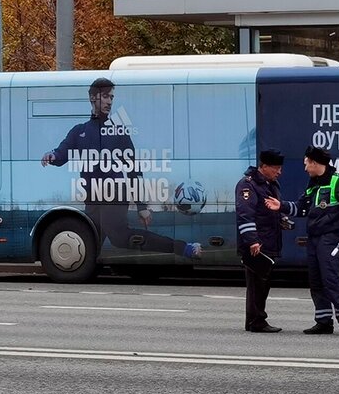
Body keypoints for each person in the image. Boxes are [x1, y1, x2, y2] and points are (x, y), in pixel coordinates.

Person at [41, 77, 202, 261]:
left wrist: (141, 206)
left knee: (119, 237)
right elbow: (62, 153)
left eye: (112, 97)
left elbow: (133, 169)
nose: (110, 101)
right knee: (89, 246)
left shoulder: (118, 132)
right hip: (92, 199)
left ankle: (184, 248)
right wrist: (52, 156)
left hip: (114, 195)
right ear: (93, 98)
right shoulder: (79, 131)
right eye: (105, 96)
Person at [294, 145, 339, 336]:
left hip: (330, 238)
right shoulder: (313, 183)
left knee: (330, 279)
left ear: (315, 163)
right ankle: (323, 321)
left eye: (306, 163)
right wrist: (279, 207)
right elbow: (301, 208)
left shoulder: (338, 182)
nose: (305, 168)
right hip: (314, 238)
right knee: (315, 281)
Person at [236, 149, 296, 333]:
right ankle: (256, 321)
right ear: (264, 167)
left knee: (263, 283)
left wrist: (282, 221)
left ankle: (255, 319)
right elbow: (245, 214)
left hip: (269, 241)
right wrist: (252, 241)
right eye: (276, 168)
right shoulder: (248, 185)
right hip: (258, 245)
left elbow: (269, 212)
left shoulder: (271, 184)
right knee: (257, 284)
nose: (279, 172)